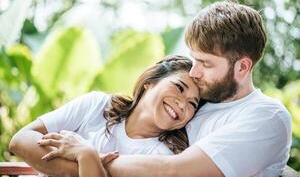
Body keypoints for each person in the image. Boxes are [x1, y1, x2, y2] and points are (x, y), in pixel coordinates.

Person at [37, 0, 292, 177]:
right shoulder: (201, 103)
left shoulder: (265, 116)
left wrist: (87, 158)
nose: (194, 72)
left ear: (242, 67)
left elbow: (174, 171)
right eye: (194, 60)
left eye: (205, 63)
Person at [9, 55, 201, 176]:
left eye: (193, 103)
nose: (182, 104)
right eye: (179, 87)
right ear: (149, 82)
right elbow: (21, 140)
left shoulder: (164, 158)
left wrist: (86, 154)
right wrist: (90, 169)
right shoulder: (97, 105)